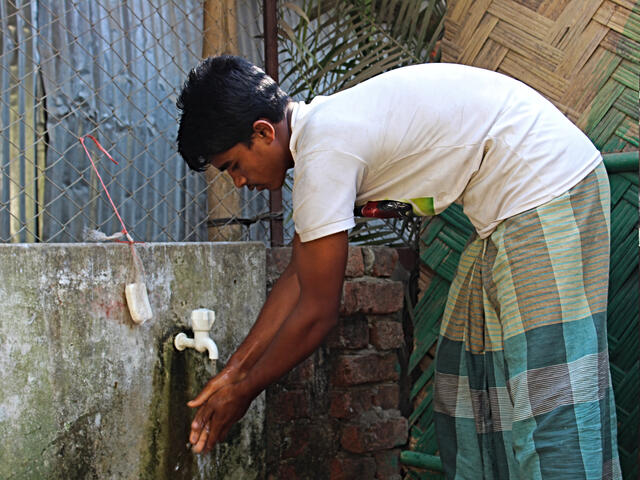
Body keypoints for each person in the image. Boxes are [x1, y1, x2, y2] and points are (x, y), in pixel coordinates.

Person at [176, 55, 620, 479]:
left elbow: (316, 312)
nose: (238, 181)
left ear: (263, 132)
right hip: (511, 211)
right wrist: (233, 372)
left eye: (233, 165)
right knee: (473, 381)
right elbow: (299, 275)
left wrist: (244, 393)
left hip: (546, 192)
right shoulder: (322, 136)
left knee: (550, 396)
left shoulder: (324, 149)